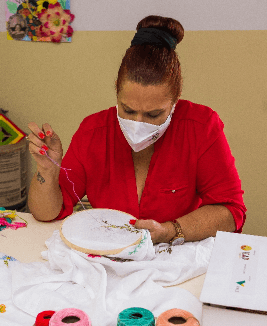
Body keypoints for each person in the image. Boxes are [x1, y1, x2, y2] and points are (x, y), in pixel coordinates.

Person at [27, 15, 246, 245]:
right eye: (128, 110)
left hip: (177, 250)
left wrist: (171, 231)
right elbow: (47, 213)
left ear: (175, 101)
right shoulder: (93, 131)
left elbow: (231, 211)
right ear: (117, 94)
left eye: (154, 114)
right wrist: (47, 171)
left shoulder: (201, 127)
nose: (138, 123)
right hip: (111, 255)